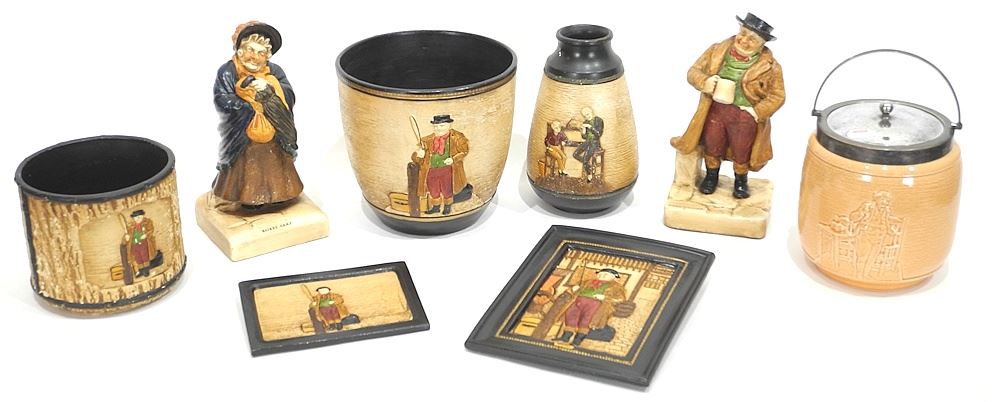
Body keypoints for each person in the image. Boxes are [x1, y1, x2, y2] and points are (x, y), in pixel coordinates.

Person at [670, 13, 785, 199]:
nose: (744, 40)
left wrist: (756, 111)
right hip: (715, 111)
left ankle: (741, 181)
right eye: (743, 33)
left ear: (762, 44)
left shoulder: (771, 66)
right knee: (712, 144)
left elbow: (778, 95)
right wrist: (704, 81)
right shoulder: (717, 50)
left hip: (744, 116)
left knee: (742, 150)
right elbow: (693, 71)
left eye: (752, 39)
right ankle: (711, 177)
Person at [212, 21, 303, 209]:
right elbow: (222, 99)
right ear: (240, 51)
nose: (254, 57)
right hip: (243, 133)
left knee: (275, 162)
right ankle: (248, 198)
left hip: (273, 132)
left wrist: (269, 88)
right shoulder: (228, 71)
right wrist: (250, 107)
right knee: (246, 165)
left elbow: (289, 94)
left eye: (261, 53)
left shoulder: (274, 71)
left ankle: (281, 193)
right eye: (250, 50)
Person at [412, 115, 470, 216]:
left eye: (442, 126)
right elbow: (416, 159)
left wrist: (453, 159)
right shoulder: (426, 140)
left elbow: (464, 151)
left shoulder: (457, 138)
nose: (438, 128)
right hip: (431, 170)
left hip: (448, 169)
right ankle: (436, 207)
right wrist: (419, 154)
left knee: (447, 189)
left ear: (449, 125)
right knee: (433, 189)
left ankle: (447, 207)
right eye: (436, 126)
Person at [555, 268, 626, 348]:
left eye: (605, 275)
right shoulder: (587, 282)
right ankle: (565, 337)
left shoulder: (616, 287)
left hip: (595, 304)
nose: (602, 276)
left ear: (612, 277)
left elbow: (620, 298)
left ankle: (577, 341)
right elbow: (575, 290)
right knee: (571, 317)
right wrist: (573, 289)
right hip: (578, 301)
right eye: (600, 274)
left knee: (586, 321)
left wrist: (604, 297)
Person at [572, 107, 604, 182]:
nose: (587, 116)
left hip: (595, 143)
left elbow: (598, 134)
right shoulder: (585, 122)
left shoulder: (599, 120)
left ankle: (589, 174)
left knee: (585, 158)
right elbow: (584, 137)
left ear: (591, 112)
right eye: (585, 116)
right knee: (575, 154)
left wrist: (590, 127)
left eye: (587, 114)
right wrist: (583, 131)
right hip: (587, 142)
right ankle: (588, 165)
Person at [123, 210, 157, 277]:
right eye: (136, 217)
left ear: (143, 216)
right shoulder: (131, 227)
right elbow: (126, 238)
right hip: (134, 245)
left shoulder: (147, 223)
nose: (138, 218)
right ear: (133, 218)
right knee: (138, 257)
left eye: (139, 216)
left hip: (144, 243)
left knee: (145, 256)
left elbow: (151, 230)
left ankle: (146, 270)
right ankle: (141, 270)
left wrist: (146, 235)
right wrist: (126, 238)